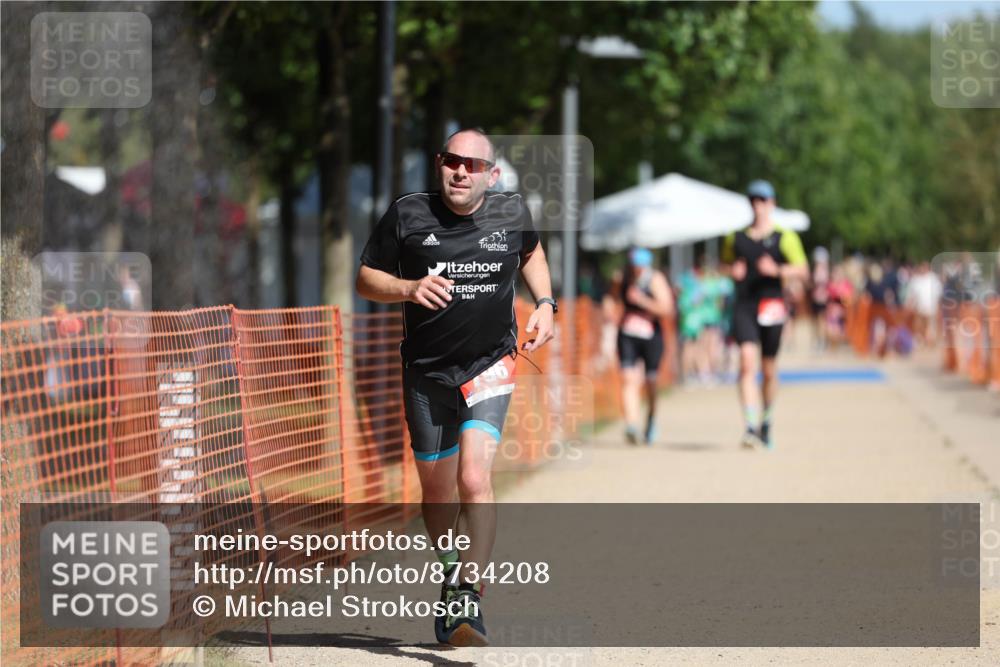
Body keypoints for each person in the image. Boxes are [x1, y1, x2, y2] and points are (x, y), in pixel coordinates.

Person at [356, 128, 555, 646]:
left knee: (473, 479)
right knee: (437, 494)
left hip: (489, 364)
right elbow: (365, 278)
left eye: (472, 164)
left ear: (491, 175)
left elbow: (531, 253)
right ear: (440, 164)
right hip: (425, 371)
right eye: (451, 161)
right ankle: (451, 569)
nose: (460, 172)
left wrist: (548, 304)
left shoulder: (511, 212)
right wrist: (408, 287)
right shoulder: (407, 214)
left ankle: (468, 593)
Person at [721, 180, 809, 450]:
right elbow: (724, 266)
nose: (758, 206)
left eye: (763, 200)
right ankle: (749, 427)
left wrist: (778, 271)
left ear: (772, 204)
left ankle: (766, 421)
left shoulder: (785, 237)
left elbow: (803, 270)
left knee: (768, 369)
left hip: (772, 305)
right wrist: (730, 272)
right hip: (745, 305)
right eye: (753, 200)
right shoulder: (734, 237)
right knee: (746, 364)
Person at [607, 247, 674, 444]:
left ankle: (651, 419)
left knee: (650, 382)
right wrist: (609, 309)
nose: (636, 270)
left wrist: (643, 301)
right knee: (628, 378)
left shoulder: (656, 280)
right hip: (627, 334)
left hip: (651, 336)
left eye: (639, 267)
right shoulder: (623, 277)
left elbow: (667, 309)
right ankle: (632, 425)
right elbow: (611, 297)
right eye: (633, 266)